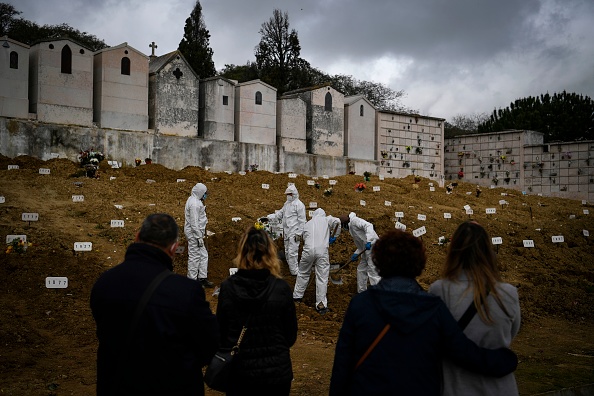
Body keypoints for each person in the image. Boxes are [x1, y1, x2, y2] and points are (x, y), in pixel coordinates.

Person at [329, 229, 518, 396]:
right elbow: (463, 351)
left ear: (378, 262)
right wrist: (504, 360)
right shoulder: (432, 307)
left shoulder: (360, 304)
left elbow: (342, 364)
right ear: (419, 264)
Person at [90, 213, 219, 396]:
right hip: (171, 385)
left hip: (116, 385)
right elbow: (209, 344)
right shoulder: (186, 291)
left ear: (136, 237)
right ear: (174, 248)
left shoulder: (105, 282)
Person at [429, 221, 521, 396]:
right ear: (488, 250)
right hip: (501, 388)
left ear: (453, 249)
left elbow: (433, 338)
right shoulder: (509, 293)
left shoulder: (439, 290)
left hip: (457, 387)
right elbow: (511, 333)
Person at [216, 225, 298, 396]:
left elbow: (222, 334)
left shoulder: (228, 287)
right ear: (270, 253)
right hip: (276, 374)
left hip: (240, 373)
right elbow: (290, 336)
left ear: (242, 252)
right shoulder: (281, 288)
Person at [293, 208, 332, 314]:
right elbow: (337, 221)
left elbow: (300, 236)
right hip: (322, 251)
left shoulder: (307, 224)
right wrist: (334, 236)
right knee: (322, 277)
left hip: (308, 251)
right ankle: (321, 305)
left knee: (303, 273)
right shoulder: (326, 220)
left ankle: (297, 297)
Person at [339, 212, 380, 292]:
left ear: (345, 224)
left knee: (373, 271)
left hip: (373, 247)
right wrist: (356, 253)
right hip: (366, 250)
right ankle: (362, 293)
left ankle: (377, 295)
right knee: (361, 270)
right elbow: (361, 241)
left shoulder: (355, 221)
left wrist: (369, 240)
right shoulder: (352, 228)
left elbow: (369, 225)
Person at [184, 182, 213, 288]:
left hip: (197, 234)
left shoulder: (195, 201)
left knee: (203, 255)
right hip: (194, 234)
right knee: (194, 257)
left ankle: (202, 278)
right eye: (205, 193)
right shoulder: (194, 204)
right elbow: (194, 223)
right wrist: (198, 237)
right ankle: (192, 281)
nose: (206, 195)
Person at [274, 184, 306, 275]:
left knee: (293, 252)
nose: (288, 196)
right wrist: (269, 217)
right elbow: (280, 214)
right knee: (287, 251)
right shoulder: (287, 204)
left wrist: (299, 233)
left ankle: (295, 272)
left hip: (294, 233)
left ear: (294, 194)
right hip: (287, 232)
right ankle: (291, 269)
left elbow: (302, 221)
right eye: (287, 194)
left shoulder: (299, 205)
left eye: (289, 194)